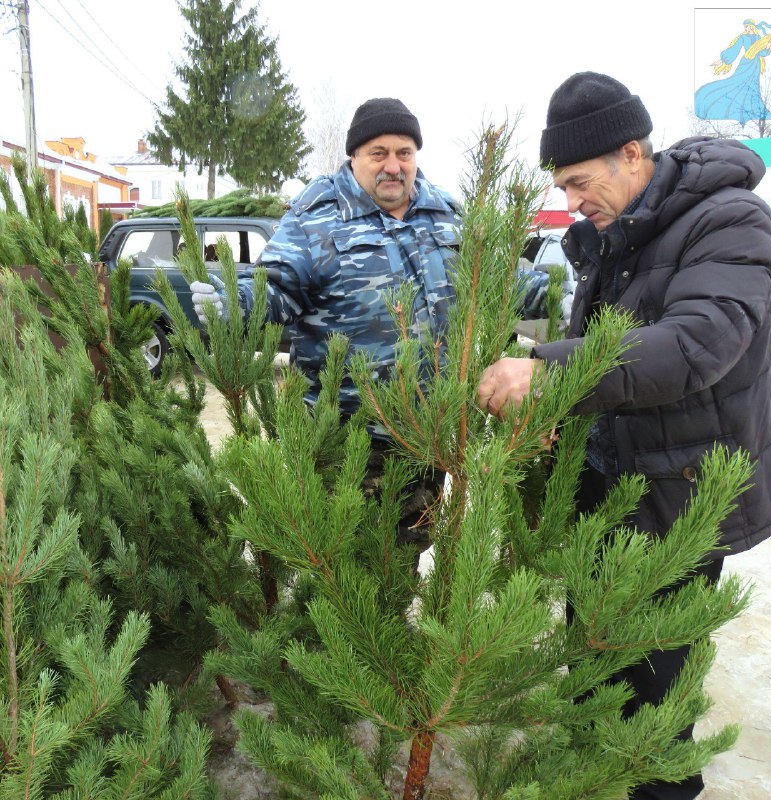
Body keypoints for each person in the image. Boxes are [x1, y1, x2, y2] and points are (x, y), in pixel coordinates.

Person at [477, 71, 771, 800]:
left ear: (632, 153)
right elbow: (612, 354)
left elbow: (694, 345)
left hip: (680, 501)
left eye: (579, 181)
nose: (571, 202)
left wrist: (548, 374)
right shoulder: (614, 235)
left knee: (654, 713)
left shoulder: (732, 221)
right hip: (609, 496)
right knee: (594, 678)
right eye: (561, 186)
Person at [191, 97, 551, 551]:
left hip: (426, 430)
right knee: (346, 574)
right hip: (347, 440)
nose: (393, 166)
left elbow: (500, 275)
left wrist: (557, 289)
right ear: (354, 157)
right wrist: (234, 302)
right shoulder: (318, 217)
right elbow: (278, 287)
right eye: (378, 153)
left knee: (404, 561)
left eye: (404, 153)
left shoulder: (444, 212)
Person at [694, 18, 771, 126]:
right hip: (746, 62)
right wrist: (722, 61)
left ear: (752, 26)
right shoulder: (743, 37)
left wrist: (768, 46)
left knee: (752, 86)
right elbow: (734, 50)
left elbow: (763, 53)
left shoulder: (758, 38)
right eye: (745, 27)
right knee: (735, 82)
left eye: (748, 26)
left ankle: (750, 108)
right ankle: (724, 103)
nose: (746, 28)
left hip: (755, 65)